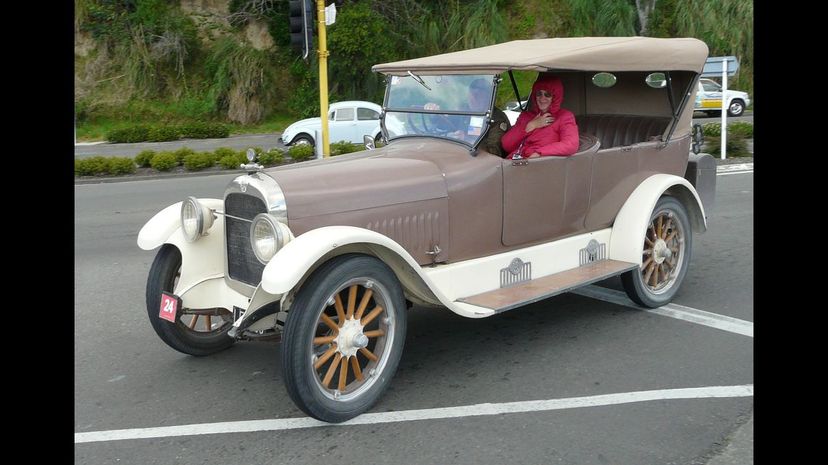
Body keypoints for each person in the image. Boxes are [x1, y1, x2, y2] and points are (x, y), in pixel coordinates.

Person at [423, 78, 511, 157]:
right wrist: (434, 115)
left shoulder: (497, 118)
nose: (472, 99)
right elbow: (447, 124)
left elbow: (495, 152)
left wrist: (467, 141)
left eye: (478, 95)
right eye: (471, 94)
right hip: (460, 155)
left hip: (483, 163)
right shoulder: (465, 110)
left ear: (488, 97)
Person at [501, 74, 579, 159]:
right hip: (515, 162)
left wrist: (539, 153)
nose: (542, 98)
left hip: (540, 164)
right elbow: (506, 145)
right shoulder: (526, 116)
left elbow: (570, 144)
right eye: (539, 94)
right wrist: (531, 126)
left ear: (555, 97)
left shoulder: (564, 117)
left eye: (547, 94)